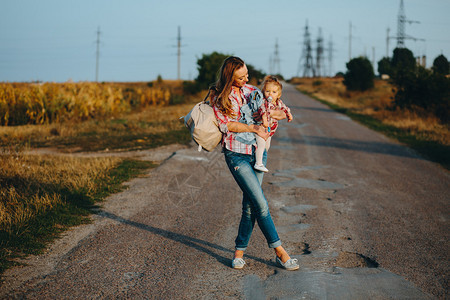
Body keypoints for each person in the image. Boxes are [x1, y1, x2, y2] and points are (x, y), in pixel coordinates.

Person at [211, 56, 299, 271]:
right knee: (260, 203)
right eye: (241, 77)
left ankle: (239, 252)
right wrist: (254, 128)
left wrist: (279, 113)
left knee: (249, 206)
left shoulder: (253, 91)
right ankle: (280, 251)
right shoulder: (218, 97)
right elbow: (226, 125)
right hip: (236, 154)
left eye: (247, 75)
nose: (246, 80)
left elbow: (270, 111)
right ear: (229, 76)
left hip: (257, 153)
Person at [254, 75, 293, 173]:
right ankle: (258, 163)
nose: (270, 94)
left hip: (270, 130)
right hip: (261, 128)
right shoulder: (263, 101)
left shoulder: (278, 103)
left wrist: (288, 114)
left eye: (274, 92)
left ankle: (259, 156)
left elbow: (284, 108)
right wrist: (264, 118)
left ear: (278, 95)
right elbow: (262, 110)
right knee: (261, 144)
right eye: (267, 91)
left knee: (266, 147)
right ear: (264, 91)